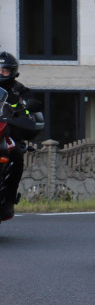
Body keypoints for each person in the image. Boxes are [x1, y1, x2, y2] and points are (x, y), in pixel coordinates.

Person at [0, 51, 42, 221]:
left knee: (16, 155)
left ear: (12, 72)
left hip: (6, 131)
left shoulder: (19, 89)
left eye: (5, 70)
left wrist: (25, 112)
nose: (1, 73)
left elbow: (30, 105)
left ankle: (9, 200)